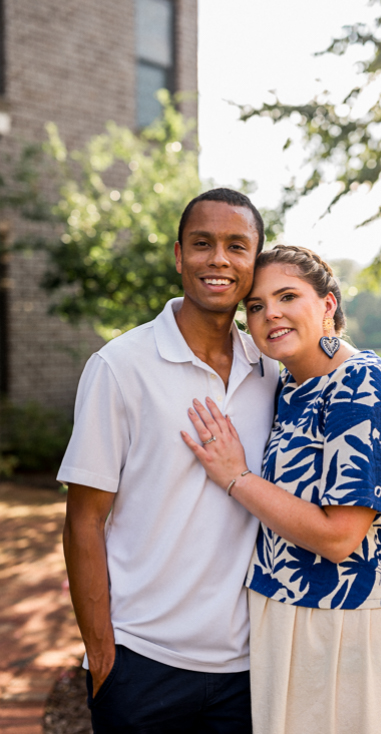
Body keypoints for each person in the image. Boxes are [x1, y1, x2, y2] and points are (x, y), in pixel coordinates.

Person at [180, 244, 381, 734]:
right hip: (288, 620)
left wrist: (236, 477)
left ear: (327, 305)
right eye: (255, 306)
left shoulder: (360, 385)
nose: (270, 313)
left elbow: (340, 538)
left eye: (287, 296)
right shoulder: (293, 386)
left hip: (348, 628)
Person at [59, 188, 277, 731]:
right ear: (179, 256)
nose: (219, 260)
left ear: (255, 261)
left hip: (249, 667)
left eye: (236, 246)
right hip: (140, 663)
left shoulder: (272, 372)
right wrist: (103, 655)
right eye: (202, 244)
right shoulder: (120, 367)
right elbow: (84, 519)